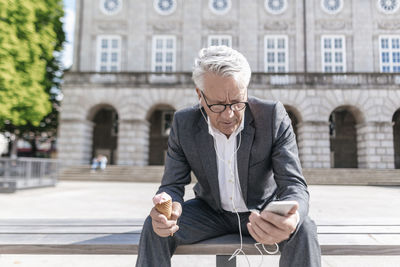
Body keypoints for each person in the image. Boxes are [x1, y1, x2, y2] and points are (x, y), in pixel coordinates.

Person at [136, 46, 321, 267]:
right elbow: (172, 185)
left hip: (262, 213)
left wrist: (293, 217)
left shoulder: (272, 117)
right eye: (217, 105)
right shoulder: (183, 123)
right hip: (209, 213)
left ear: (246, 89)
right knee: (155, 226)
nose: (229, 114)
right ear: (200, 95)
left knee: (304, 227)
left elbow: (294, 184)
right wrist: (168, 204)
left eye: (236, 101)